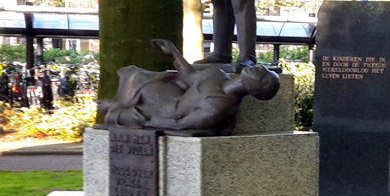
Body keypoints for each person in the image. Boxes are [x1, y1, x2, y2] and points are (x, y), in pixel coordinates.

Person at [98, 39, 280, 135]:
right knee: (135, 76)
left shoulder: (218, 107)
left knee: (120, 115)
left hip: (167, 112)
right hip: (173, 97)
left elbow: (181, 123)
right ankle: (118, 105)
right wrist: (173, 52)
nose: (260, 69)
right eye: (263, 69)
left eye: (264, 78)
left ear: (256, 92)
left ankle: (115, 108)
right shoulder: (218, 75)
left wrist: (146, 121)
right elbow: (190, 76)